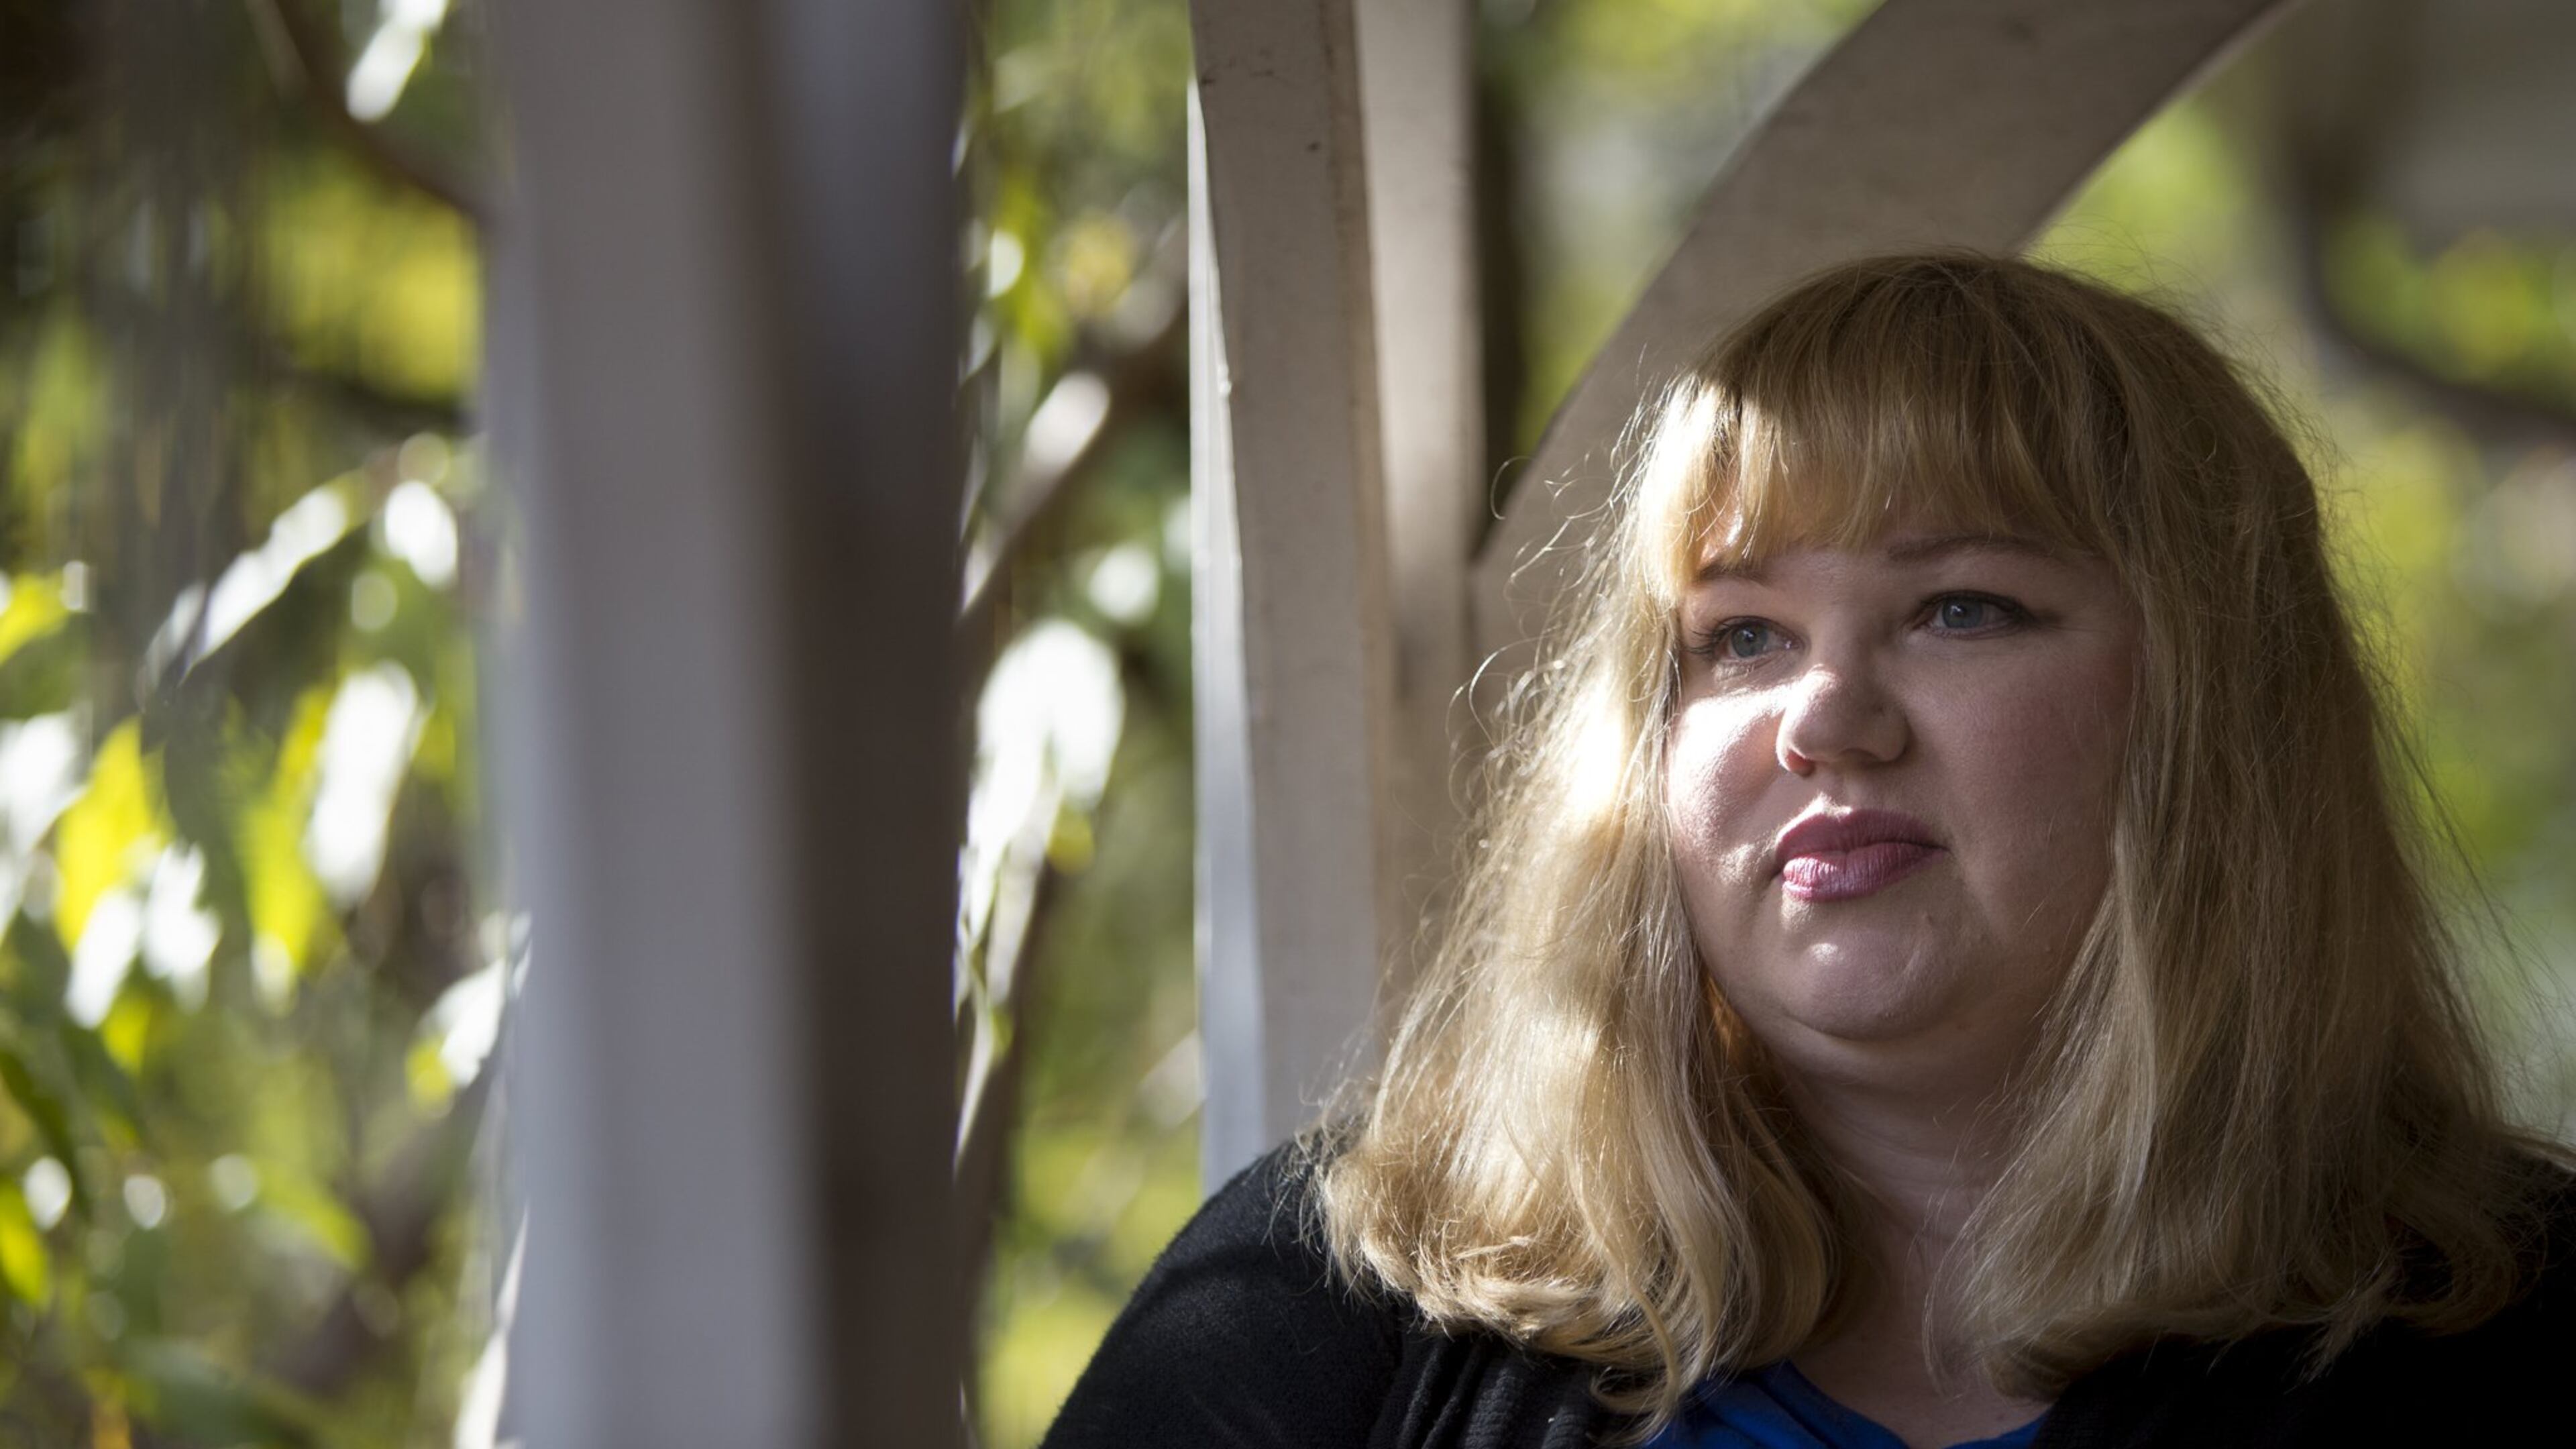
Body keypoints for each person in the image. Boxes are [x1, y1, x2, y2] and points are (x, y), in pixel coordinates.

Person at [1037, 253, 2576, 1448]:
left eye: (1960, 607)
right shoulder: (1330, 1302)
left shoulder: (2516, 1317)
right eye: (1742, 636)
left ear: (2214, 712)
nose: (1823, 720)